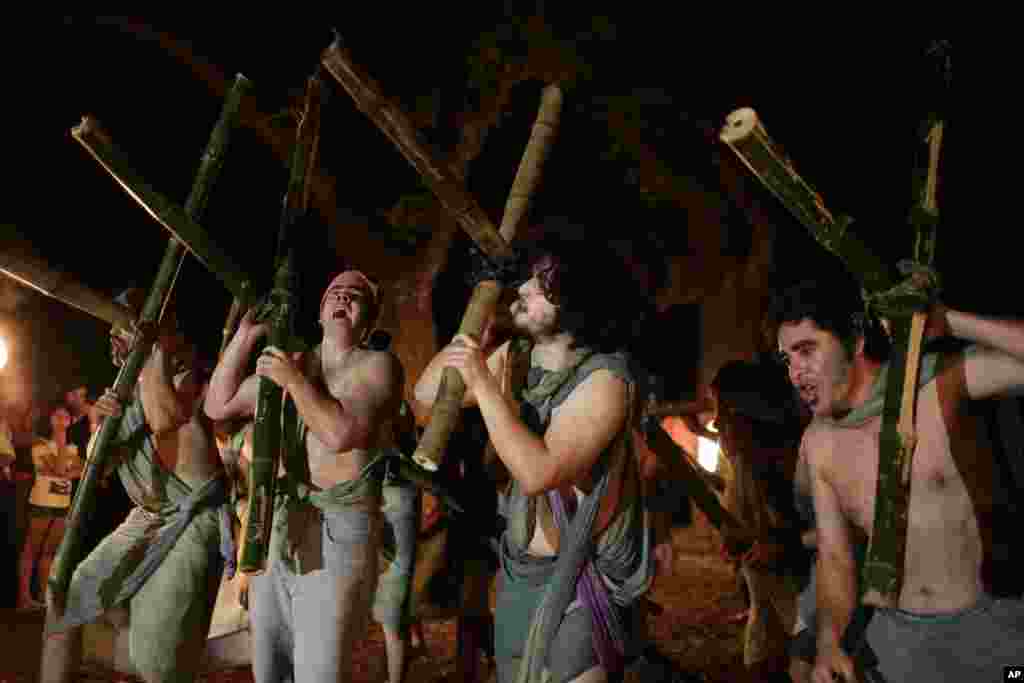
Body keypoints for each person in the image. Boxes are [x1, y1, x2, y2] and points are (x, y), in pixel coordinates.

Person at [414, 234, 655, 683]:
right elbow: (427, 395)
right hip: (519, 574)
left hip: (580, 588)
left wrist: (484, 384)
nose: (522, 288)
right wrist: (469, 340)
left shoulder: (606, 379)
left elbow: (538, 472)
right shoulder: (516, 358)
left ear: (576, 298)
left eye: (541, 283)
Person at [771, 271, 1024, 682]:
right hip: (900, 640)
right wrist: (829, 641)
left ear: (854, 341)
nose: (795, 374)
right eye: (787, 360)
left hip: (991, 631)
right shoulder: (819, 443)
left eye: (806, 351)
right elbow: (835, 559)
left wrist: (950, 322)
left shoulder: (935, 386)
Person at [204, 269, 404, 683]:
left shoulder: (379, 365)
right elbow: (217, 406)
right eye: (335, 291)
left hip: (341, 530)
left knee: (320, 670)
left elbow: (340, 434)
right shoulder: (291, 361)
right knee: (269, 664)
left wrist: (292, 380)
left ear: (369, 318)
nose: (343, 298)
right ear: (319, 311)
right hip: (280, 521)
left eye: (355, 295)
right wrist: (245, 338)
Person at [41, 289, 232, 683]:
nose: (119, 339)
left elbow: (164, 418)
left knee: (159, 664)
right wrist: (103, 423)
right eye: (117, 331)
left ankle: (218, 653)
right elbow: (97, 465)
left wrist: (152, 353)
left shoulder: (190, 376)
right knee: (64, 599)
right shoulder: (125, 393)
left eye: (127, 329)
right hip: (147, 518)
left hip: (192, 522)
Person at [18, 404, 83, 610]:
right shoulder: (40, 446)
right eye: (57, 415)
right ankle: (24, 598)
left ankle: (44, 597)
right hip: (41, 502)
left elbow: (78, 470)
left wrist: (66, 469)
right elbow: (59, 469)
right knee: (32, 549)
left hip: (62, 504)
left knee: (50, 551)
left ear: (71, 421)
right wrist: (62, 449)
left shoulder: (73, 448)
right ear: (50, 420)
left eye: (66, 415)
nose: (62, 418)